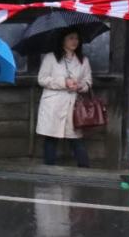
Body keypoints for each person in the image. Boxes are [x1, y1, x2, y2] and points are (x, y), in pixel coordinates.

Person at [36, 30, 92, 167]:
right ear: (63, 40)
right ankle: (49, 170)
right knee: (51, 138)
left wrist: (80, 86)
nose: (74, 41)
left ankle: (85, 170)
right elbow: (42, 79)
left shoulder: (83, 60)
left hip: (73, 105)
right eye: (71, 38)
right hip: (53, 104)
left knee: (76, 139)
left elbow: (88, 81)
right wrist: (64, 82)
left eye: (77, 38)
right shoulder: (50, 58)